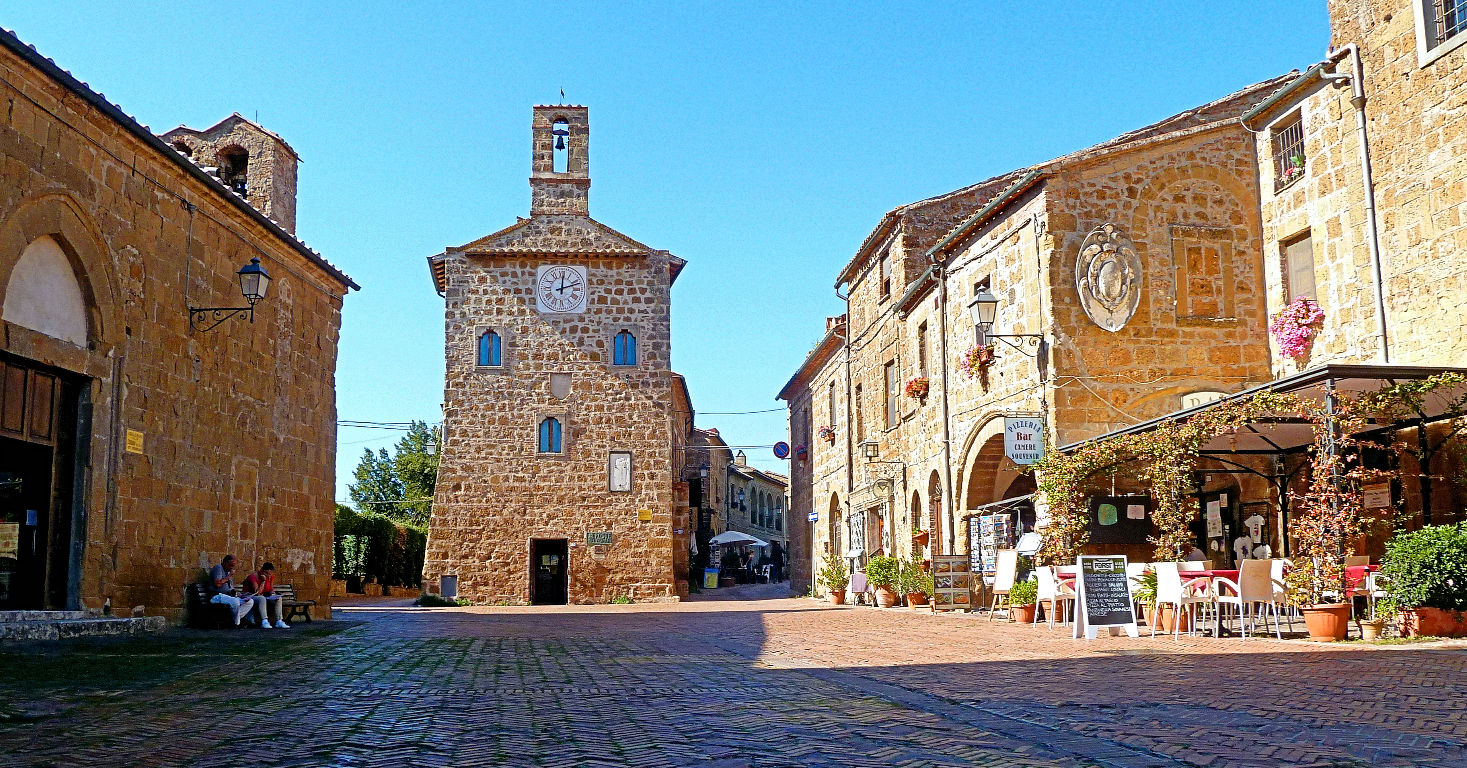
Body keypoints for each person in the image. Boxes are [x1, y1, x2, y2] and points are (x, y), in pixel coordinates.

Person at [207, 554, 253, 627]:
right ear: (225, 562)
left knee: (249, 601)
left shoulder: (228, 572)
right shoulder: (218, 568)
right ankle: (236, 624)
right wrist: (229, 576)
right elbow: (218, 584)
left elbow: (231, 589)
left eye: (233, 566)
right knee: (235, 602)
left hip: (229, 596)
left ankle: (232, 619)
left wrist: (241, 595)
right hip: (216, 596)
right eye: (230, 565)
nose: (232, 568)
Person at [242, 561, 289, 629]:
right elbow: (257, 593)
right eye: (266, 573)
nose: (268, 576)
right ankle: (264, 621)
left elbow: (271, 589)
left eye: (270, 574)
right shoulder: (253, 577)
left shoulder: (270, 576)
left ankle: (279, 621)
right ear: (262, 571)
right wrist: (263, 581)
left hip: (265, 595)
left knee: (278, 599)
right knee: (261, 598)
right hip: (251, 596)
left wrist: (273, 595)